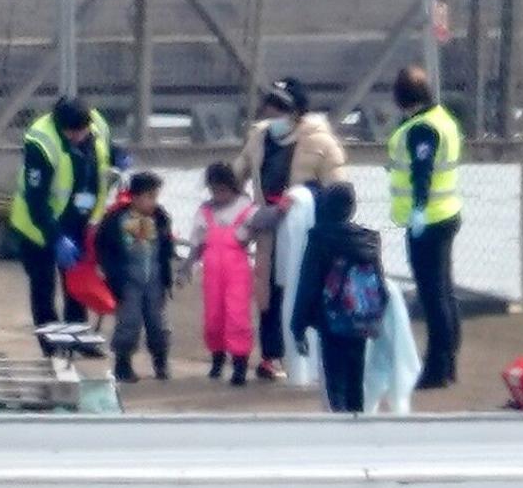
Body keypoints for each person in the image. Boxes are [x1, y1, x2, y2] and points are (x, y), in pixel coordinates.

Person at [233, 77, 346, 381]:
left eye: (281, 107)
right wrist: (237, 213)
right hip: (268, 227)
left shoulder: (320, 142)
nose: (273, 113)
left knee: (305, 290)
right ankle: (271, 356)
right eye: (271, 105)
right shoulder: (259, 138)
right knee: (268, 292)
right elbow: (237, 176)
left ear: (297, 112)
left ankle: (312, 355)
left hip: (305, 231)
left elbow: (339, 191)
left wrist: (305, 202)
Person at [9, 96, 127, 356]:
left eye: (82, 132)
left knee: (77, 285)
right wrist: (55, 239)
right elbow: (36, 201)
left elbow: (108, 150)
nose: (78, 137)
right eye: (72, 133)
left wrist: (120, 159)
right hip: (37, 228)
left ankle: (78, 339)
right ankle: (51, 348)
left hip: (78, 220)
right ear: (61, 126)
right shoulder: (40, 143)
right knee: (43, 288)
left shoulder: (94, 123)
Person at [388, 65, 464, 389]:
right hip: (445, 214)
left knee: (433, 296)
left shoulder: (421, 129)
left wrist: (418, 209)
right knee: (445, 293)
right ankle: (448, 363)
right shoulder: (442, 119)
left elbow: (422, 171)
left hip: (429, 220)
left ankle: (436, 369)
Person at [291, 183, 383, 413]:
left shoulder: (320, 238)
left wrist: (298, 325)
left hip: (330, 320)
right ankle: (358, 426)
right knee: (355, 379)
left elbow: (308, 285)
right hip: (361, 320)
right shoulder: (370, 240)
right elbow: (381, 286)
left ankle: (339, 431)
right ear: (352, 208)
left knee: (335, 382)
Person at [181, 162, 256, 386]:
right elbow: (196, 244)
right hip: (212, 270)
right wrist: (186, 268)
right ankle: (217, 358)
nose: (218, 195)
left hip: (237, 271)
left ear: (233, 187)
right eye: (214, 191)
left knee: (237, 316)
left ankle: (240, 364)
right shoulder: (205, 211)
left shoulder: (246, 208)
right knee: (214, 317)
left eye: (222, 190)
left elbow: (262, 225)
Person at [95, 172, 175, 383]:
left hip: (154, 279)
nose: (153, 202)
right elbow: (103, 247)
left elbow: (166, 248)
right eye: (149, 197)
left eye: (155, 197)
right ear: (135, 197)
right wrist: (109, 273)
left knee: (157, 323)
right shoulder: (116, 220)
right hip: (128, 280)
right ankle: (123, 364)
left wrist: (168, 277)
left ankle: (161, 361)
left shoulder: (160, 218)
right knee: (128, 322)